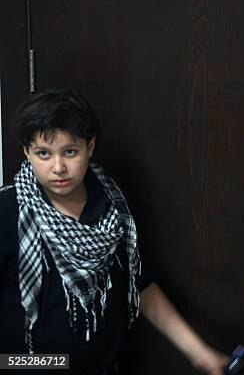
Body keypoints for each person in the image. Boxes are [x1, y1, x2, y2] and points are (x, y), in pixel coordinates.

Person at [0, 90, 227, 374]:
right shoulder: (9, 211)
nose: (58, 168)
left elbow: (137, 284)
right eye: (43, 154)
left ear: (90, 147)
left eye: (70, 152)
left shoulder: (112, 206)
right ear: (26, 152)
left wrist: (199, 353)